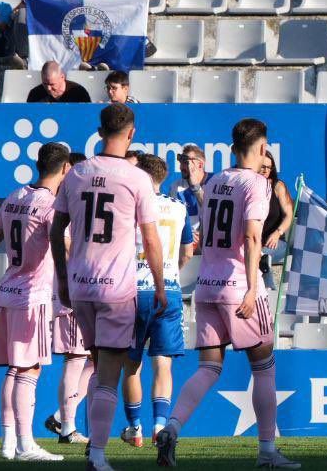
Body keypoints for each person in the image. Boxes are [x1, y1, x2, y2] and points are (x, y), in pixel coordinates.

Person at [157, 119, 296, 469]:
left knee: (208, 367)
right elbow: (251, 237)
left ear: (232, 148)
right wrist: (253, 288)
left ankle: (171, 427)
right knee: (264, 368)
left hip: (206, 286)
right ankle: (267, 452)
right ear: (263, 149)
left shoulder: (215, 181)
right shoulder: (258, 184)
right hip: (238, 286)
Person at [51, 104, 167, 471]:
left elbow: (56, 231)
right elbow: (151, 239)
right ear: (131, 133)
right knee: (108, 378)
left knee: (100, 371)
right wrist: (160, 286)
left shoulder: (76, 173)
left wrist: (63, 278)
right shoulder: (136, 179)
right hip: (115, 289)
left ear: (99, 131)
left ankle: (93, 445)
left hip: (81, 285)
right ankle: (98, 454)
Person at [0, 142, 70, 460]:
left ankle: (9, 444)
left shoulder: (14, 197)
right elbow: (63, 248)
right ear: (64, 169)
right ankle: (25, 444)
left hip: (7, 292)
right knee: (29, 370)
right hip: (32, 296)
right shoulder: (50, 204)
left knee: (14, 370)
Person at [119, 153, 192, 449]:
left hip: (133, 290)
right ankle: (160, 427)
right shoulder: (179, 207)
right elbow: (187, 250)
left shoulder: (131, 205)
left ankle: (134, 428)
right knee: (163, 364)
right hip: (169, 290)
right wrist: (170, 272)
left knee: (131, 365)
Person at [258, 150, 293, 287]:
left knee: (261, 255)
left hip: (276, 243)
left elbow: (289, 215)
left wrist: (278, 233)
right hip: (253, 242)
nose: (265, 170)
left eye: (269, 167)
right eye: (262, 166)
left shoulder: (278, 186)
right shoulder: (249, 186)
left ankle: (269, 290)